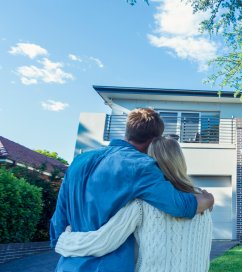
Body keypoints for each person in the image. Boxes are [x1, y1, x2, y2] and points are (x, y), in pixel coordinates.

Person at [50, 108, 214, 272]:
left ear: (127, 131)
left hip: (67, 265)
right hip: (110, 266)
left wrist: (65, 244)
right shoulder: (141, 165)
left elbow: (58, 221)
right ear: (154, 141)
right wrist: (206, 200)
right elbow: (178, 206)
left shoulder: (79, 161)